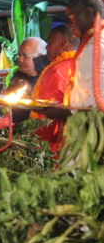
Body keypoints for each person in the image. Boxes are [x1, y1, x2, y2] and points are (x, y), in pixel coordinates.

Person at [31, 25, 78, 153]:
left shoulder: (56, 71)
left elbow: (44, 121)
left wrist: (34, 147)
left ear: (63, 43)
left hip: (60, 146)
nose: (47, 47)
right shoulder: (84, 64)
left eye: (50, 42)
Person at [66, 0, 104, 109]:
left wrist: (67, 111)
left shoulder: (95, 45)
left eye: (72, 19)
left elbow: (96, 99)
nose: (69, 25)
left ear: (88, 13)